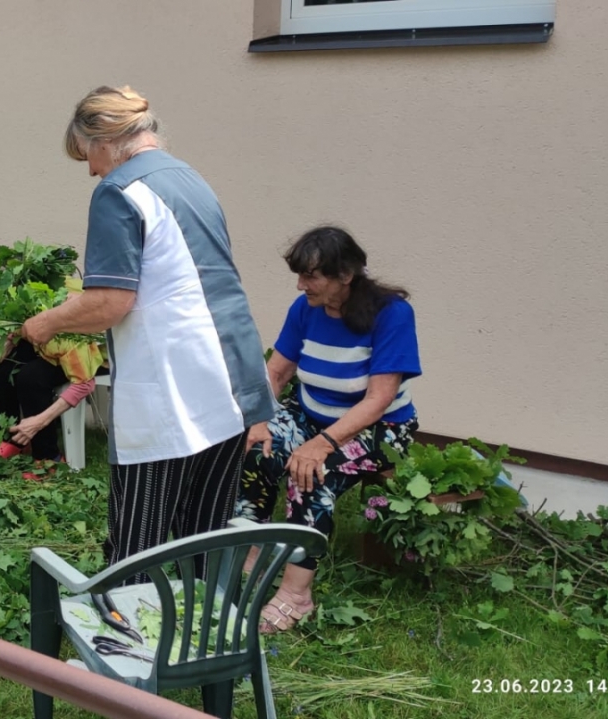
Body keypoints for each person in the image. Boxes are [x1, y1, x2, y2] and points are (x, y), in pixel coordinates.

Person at [21, 86, 275, 576]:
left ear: (104, 140)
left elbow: (110, 302)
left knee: (137, 545)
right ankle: (199, 636)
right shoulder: (190, 177)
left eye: (87, 156)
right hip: (230, 377)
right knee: (204, 532)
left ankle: (127, 642)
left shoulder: (117, 191)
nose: (91, 170)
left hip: (172, 387)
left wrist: (46, 321)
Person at [236, 226, 420, 634]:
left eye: (311, 277)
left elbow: (378, 400)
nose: (302, 285)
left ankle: (296, 596)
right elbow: (278, 370)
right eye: (299, 276)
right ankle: (251, 554)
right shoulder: (306, 309)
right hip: (311, 415)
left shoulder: (391, 314)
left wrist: (320, 445)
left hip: (379, 429)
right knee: (255, 448)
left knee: (309, 474)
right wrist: (261, 418)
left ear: (346, 274)